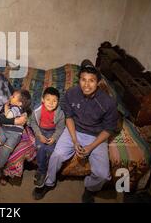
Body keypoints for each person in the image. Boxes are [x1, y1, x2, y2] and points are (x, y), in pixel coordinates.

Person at [32, 60, 119, 203]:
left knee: (103, 174)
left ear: (98, 82)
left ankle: (90, 188)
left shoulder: (108, 103)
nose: (87, 84)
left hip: (96, 136)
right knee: (56, 155)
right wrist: (74, 140)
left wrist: (90, 147)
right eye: (83, 80)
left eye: (91, 81)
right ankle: (49, 183)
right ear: (79, 80)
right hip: (74, 130)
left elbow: (108, 129)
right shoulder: (71, 93)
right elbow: (69, 117)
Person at [0, 89, 32, 179]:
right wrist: (7, 106)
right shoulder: (19, 110)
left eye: (13, 96)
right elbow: (9, 115)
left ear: (20, 103)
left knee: (2, 148)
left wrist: (7, 107)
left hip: (14, 134)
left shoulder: (16, 109)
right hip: (6, 129)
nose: (10, 97)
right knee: (2, 147)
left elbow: (8, 116)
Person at [29, 87, 65, 187]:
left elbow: (60, 128)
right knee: (40, 148)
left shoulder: (60, 113)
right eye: (48, 99)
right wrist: (39, 135)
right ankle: (41, 171)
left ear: (58, 102)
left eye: (54, 100)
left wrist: (54, 138)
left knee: (50, 150)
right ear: (42, 99)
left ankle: (49, 171)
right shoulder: (37, 110)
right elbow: (33, 122)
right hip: (40, 130)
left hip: (52, 132)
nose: (51, 103)